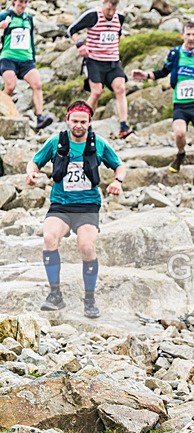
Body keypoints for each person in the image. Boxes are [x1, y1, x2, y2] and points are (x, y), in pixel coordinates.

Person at [26, 100, 125, 319]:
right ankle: (55, 295)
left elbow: (119, 165)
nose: (78, 125)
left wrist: (117, 181)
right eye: (75, 121)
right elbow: (34, 162)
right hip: (60, 203)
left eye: (83, 121)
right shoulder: (56, 142)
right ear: (67, 120)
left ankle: (89, 299)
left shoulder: (98, 143)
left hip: (88, 205)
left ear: (90, 122)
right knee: (49, 237)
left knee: (87, 247)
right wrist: (31, 173)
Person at [132, 20, 194, 187]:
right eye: (188, 34)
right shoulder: (175, 54)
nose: (191, 38)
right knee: (179, 134)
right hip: (180, 103)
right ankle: (181, 153)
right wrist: (146, 75)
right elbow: (163, 71)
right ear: (182, 35)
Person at [68, 0, 133, 139]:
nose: (111, 12)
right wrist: (80, 44)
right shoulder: (93, 15)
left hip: (113, 62)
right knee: (97, 92)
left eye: (114, 8)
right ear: (104, 2)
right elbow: (71, 29)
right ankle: (84, 121)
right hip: (94, 61)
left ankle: (124, 126)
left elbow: (117, 35)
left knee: (120, 88)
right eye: (109, 8)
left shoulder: (119, 18)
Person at [0, 0, 53, 130]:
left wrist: (33, 58)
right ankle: (4, 109)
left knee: (37, 84)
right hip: (8, 57)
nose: (22, 5)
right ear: (14, 2)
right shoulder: (5, 15)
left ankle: (40, 117)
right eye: (20, 2)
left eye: (25, 2)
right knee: (10, 86)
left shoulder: (29, 18)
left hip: (26, 59)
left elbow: (31, 39)